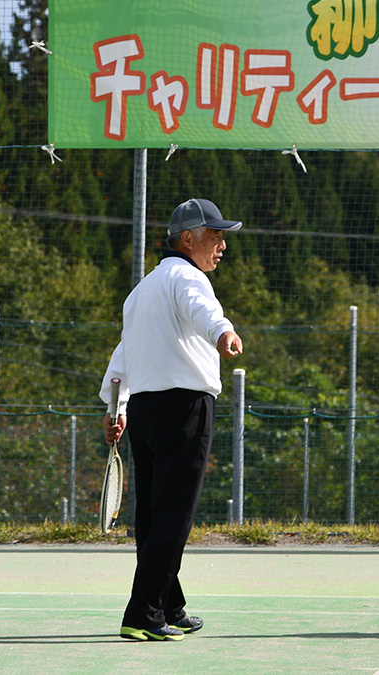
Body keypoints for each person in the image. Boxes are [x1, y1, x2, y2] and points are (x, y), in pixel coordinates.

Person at [100, 197, 245, 642]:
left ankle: (169, 604)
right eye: (215, 235)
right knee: (172, 516)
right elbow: (204, 311)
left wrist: (116, 409)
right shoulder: (188, 277)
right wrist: (223, 332)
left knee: (152, 516)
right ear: (188, 238)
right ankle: (143, 614)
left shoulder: (140, 291)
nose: (222, 244)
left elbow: (123, 356)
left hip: (143, 413)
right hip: (184, 409)